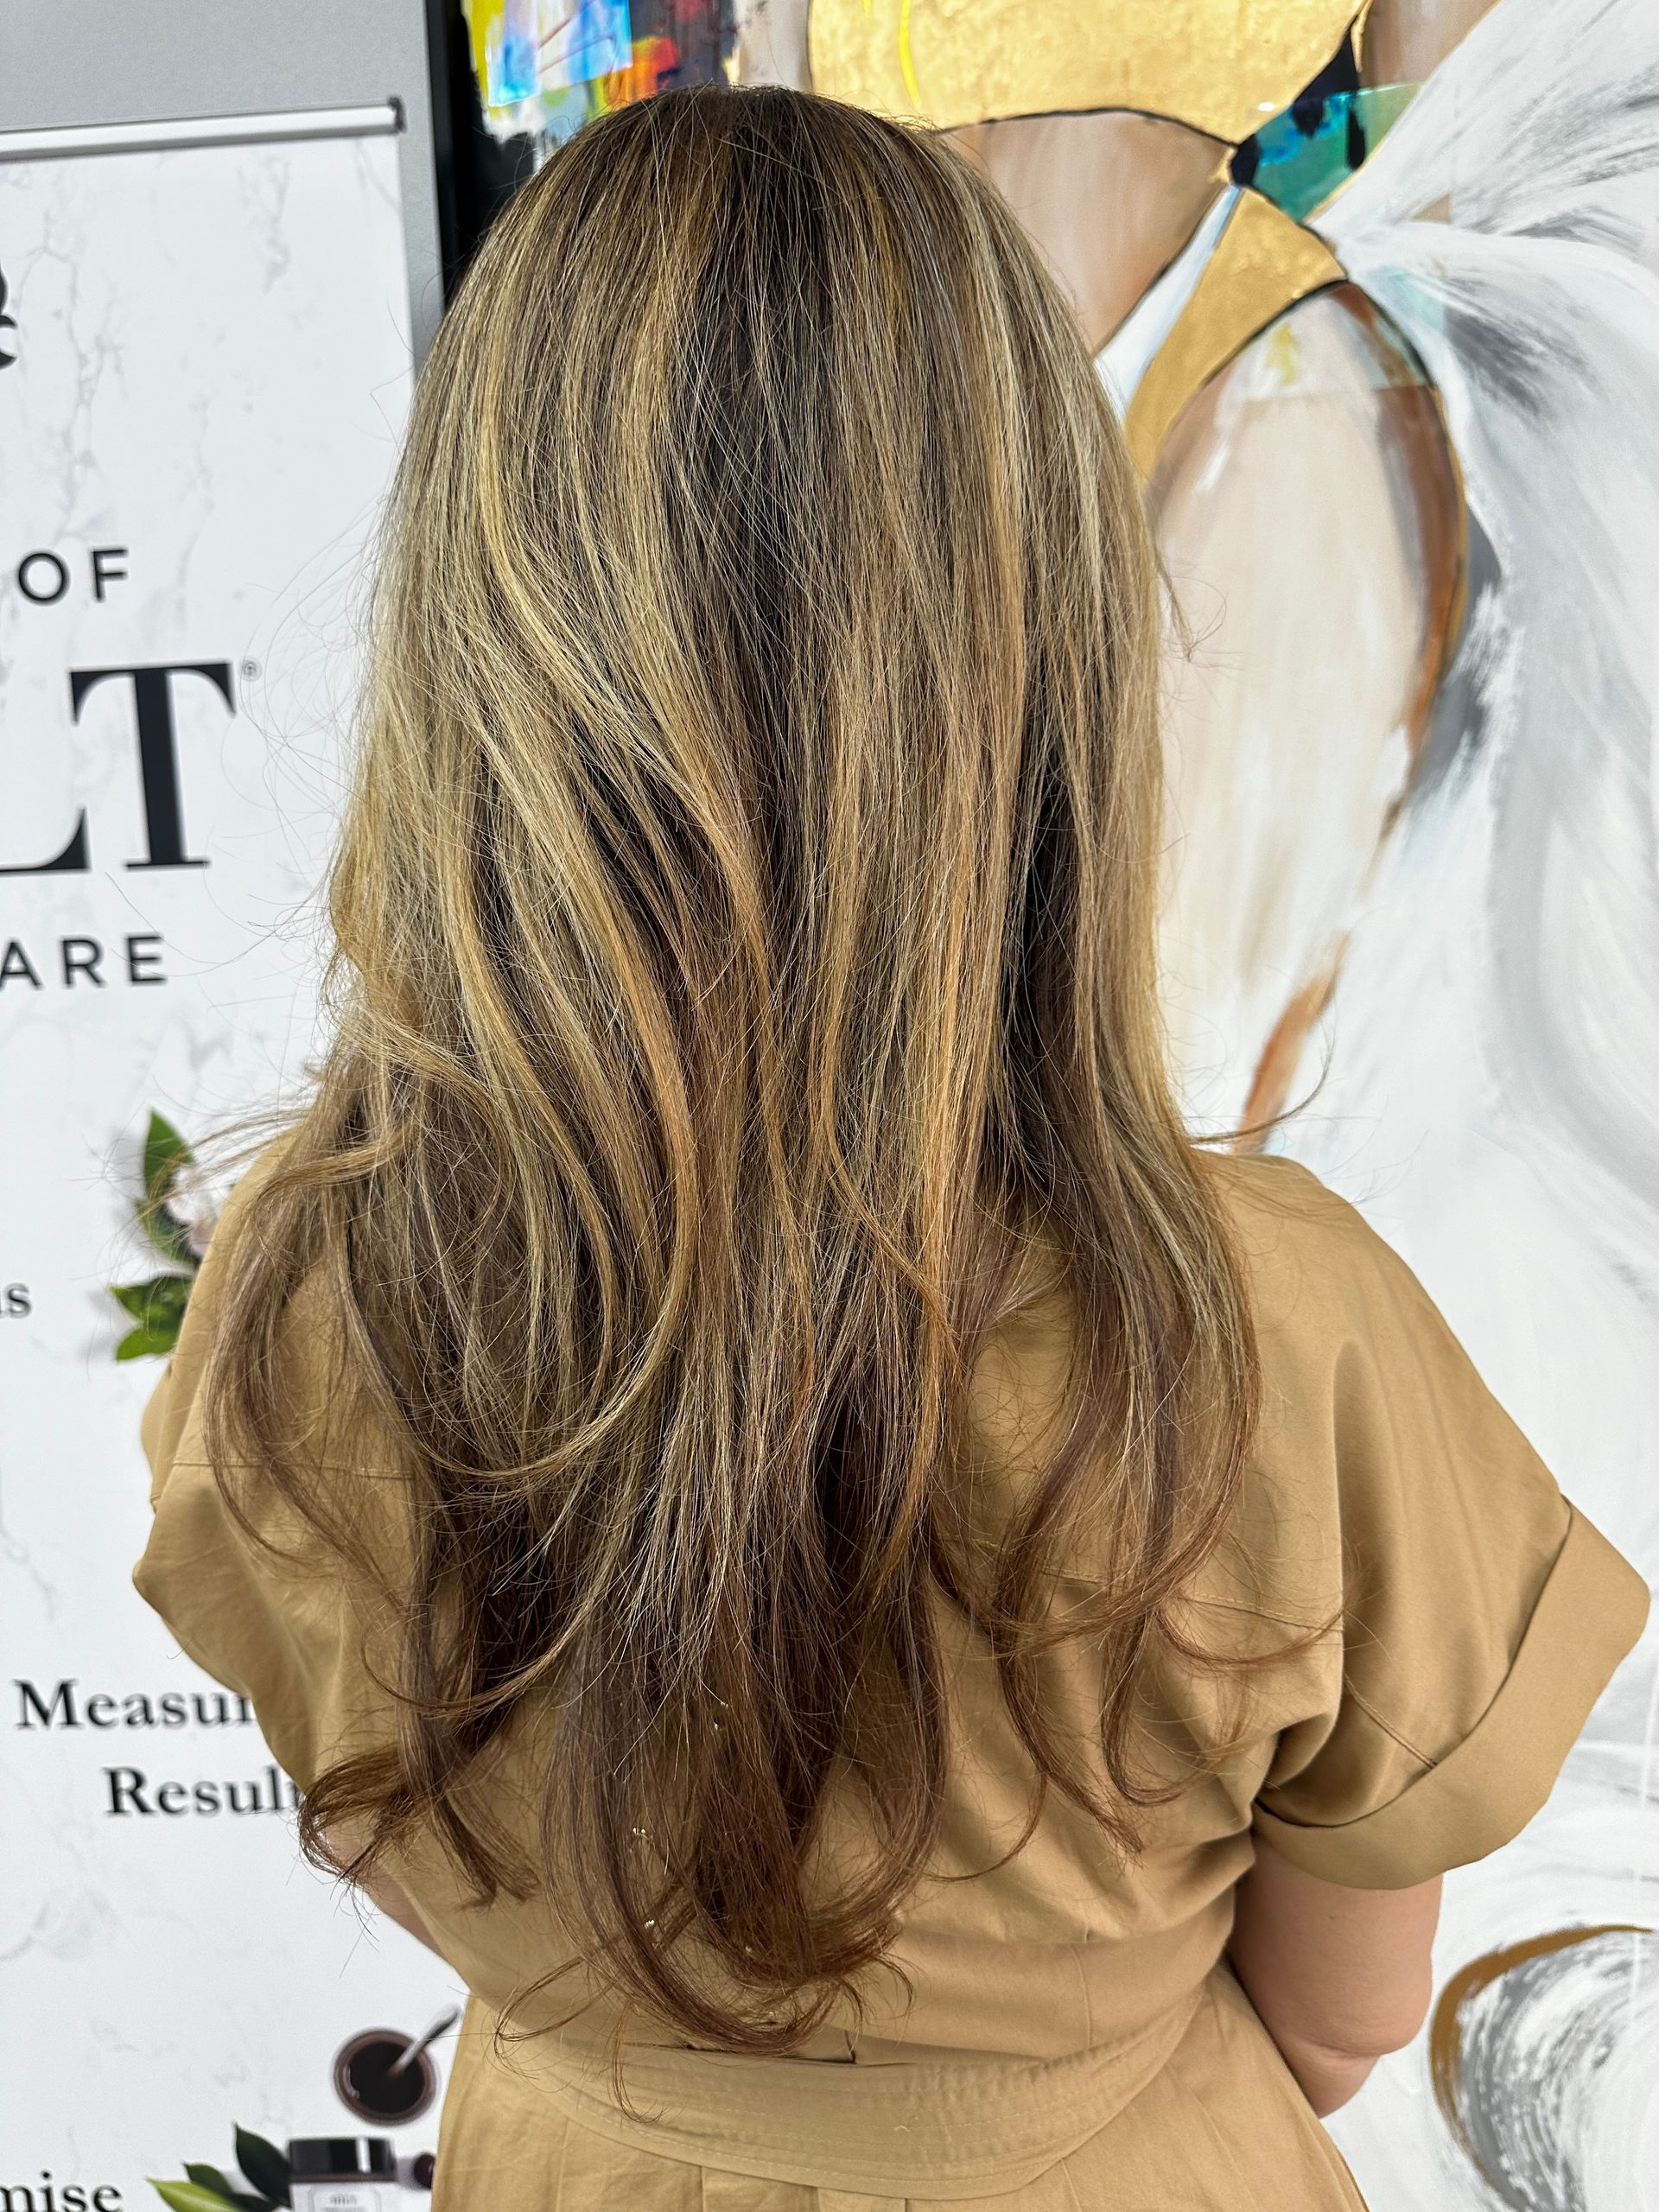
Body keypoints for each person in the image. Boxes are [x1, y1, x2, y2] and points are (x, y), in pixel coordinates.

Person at [133, 86, 1647, 2212]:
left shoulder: (303, 1299)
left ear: (481, 641)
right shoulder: (1267, 1339)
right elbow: (1339, 2019)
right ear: (1047, 649)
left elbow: (405, 1840)